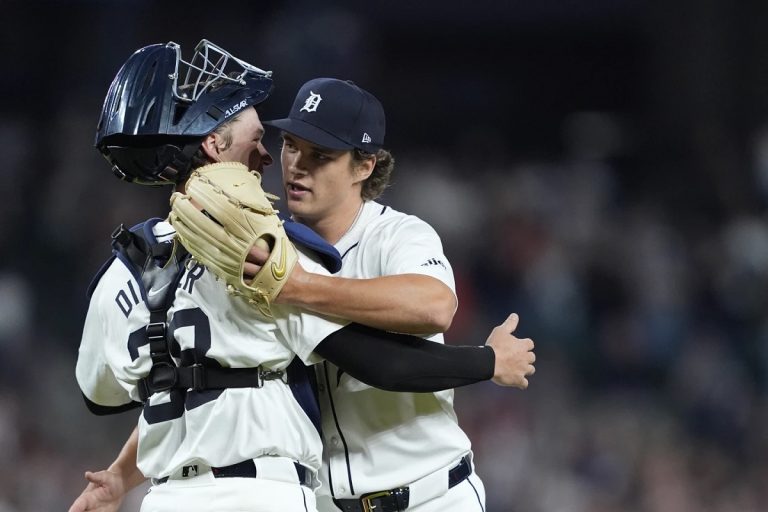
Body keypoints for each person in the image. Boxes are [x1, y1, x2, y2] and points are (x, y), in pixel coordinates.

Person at [72, 44, 535, 512]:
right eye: (291, 144)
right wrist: (120, 474)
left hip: (430, 495)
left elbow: (435, 308)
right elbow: (199, 384)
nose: (293, 164)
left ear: (365, 164)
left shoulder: (394, 236)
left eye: (321, 154)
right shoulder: (262, 248)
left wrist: (297, 287)